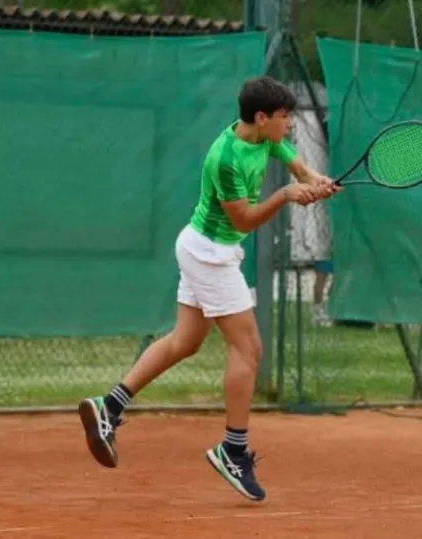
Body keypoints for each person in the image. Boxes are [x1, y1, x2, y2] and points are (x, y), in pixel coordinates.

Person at [77, 76, 340, 502]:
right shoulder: (226, 158)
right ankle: (232, 450)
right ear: (261, 118)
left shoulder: (264, 138)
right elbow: (243, 222)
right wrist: (287, 197)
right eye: (284, 118)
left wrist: (317, 180)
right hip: (211, 254)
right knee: (248, 350)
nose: (289, 125)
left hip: (205, 248)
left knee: (185, 342)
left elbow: (298, 166)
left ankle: (108, 409)